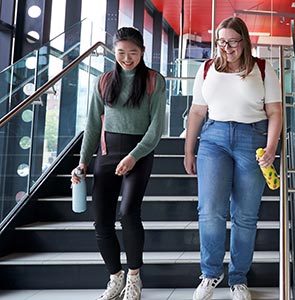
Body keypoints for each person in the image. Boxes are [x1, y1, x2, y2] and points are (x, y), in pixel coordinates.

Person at [183, 16, 282, 300]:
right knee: (210, 211)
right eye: (221, 41)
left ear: (245, 41)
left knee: (246, 216)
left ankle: (238, 279)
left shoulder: (263, 69)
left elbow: (275, 112)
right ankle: (211, 274)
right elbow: (197, 112)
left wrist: (272, 147)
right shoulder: (206, 69)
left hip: (253, 140)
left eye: (233, 41)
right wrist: (189, 149)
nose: (227, 47)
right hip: (213, 140)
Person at [71, 27, 166, 300]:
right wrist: (83, 163)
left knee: (128, 213)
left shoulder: (153, 81)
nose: (127, 58)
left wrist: (134, 156)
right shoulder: (104, 81)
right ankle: (115, 277)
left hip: (140, 153)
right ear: (115, 51)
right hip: (107, 152)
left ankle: (134, 276)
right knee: (101, 221)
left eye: (133, 53)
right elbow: (91, 125)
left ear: (143, 53)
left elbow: (156, 128)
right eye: (121, 52)